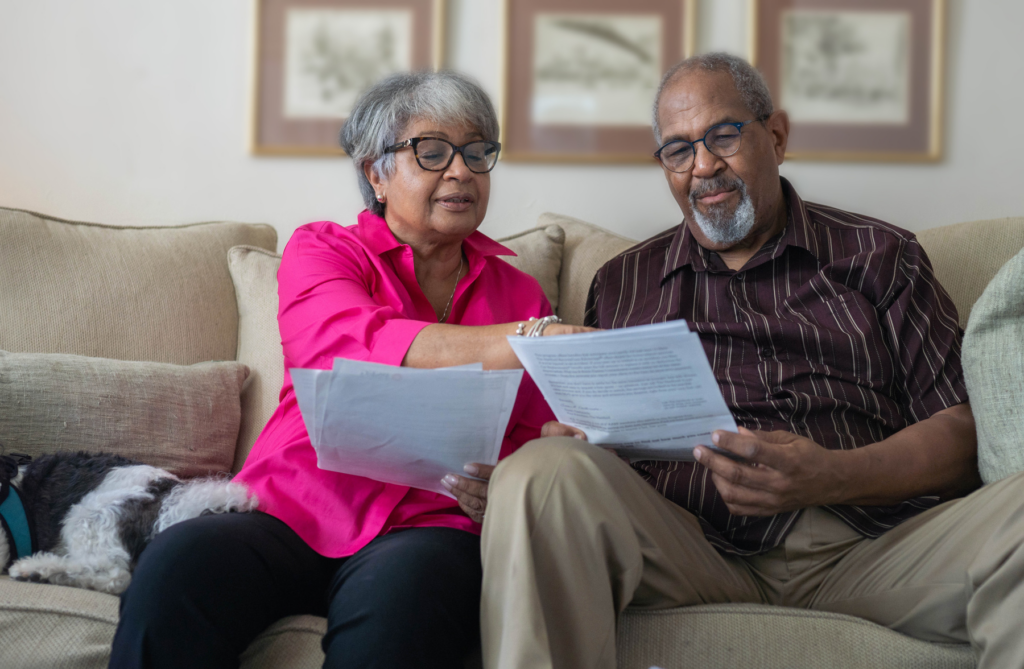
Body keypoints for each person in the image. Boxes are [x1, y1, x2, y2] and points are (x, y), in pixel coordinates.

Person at [476, 53, 1024, 669]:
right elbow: (601, 447)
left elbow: (958, 429)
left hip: (874, 544)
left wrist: (833, 474)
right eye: (679, 150)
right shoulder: (625, 282)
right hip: (694, 548)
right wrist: (578, 443)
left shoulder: (881, 255)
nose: (704, 166)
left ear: (777, 136)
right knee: (539, 470)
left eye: (724, 135)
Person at [108, 70, 589, 669]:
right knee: (179, 563)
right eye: (432, 152)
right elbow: (346, 344)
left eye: (476, 153)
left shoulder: (521, 294)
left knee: (407, 605)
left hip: (430, 524)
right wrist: (524, 340)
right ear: (375, 173)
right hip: (292, 508)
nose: (461, 171)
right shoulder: (325, 250)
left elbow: (533, 431)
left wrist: (511, 480)